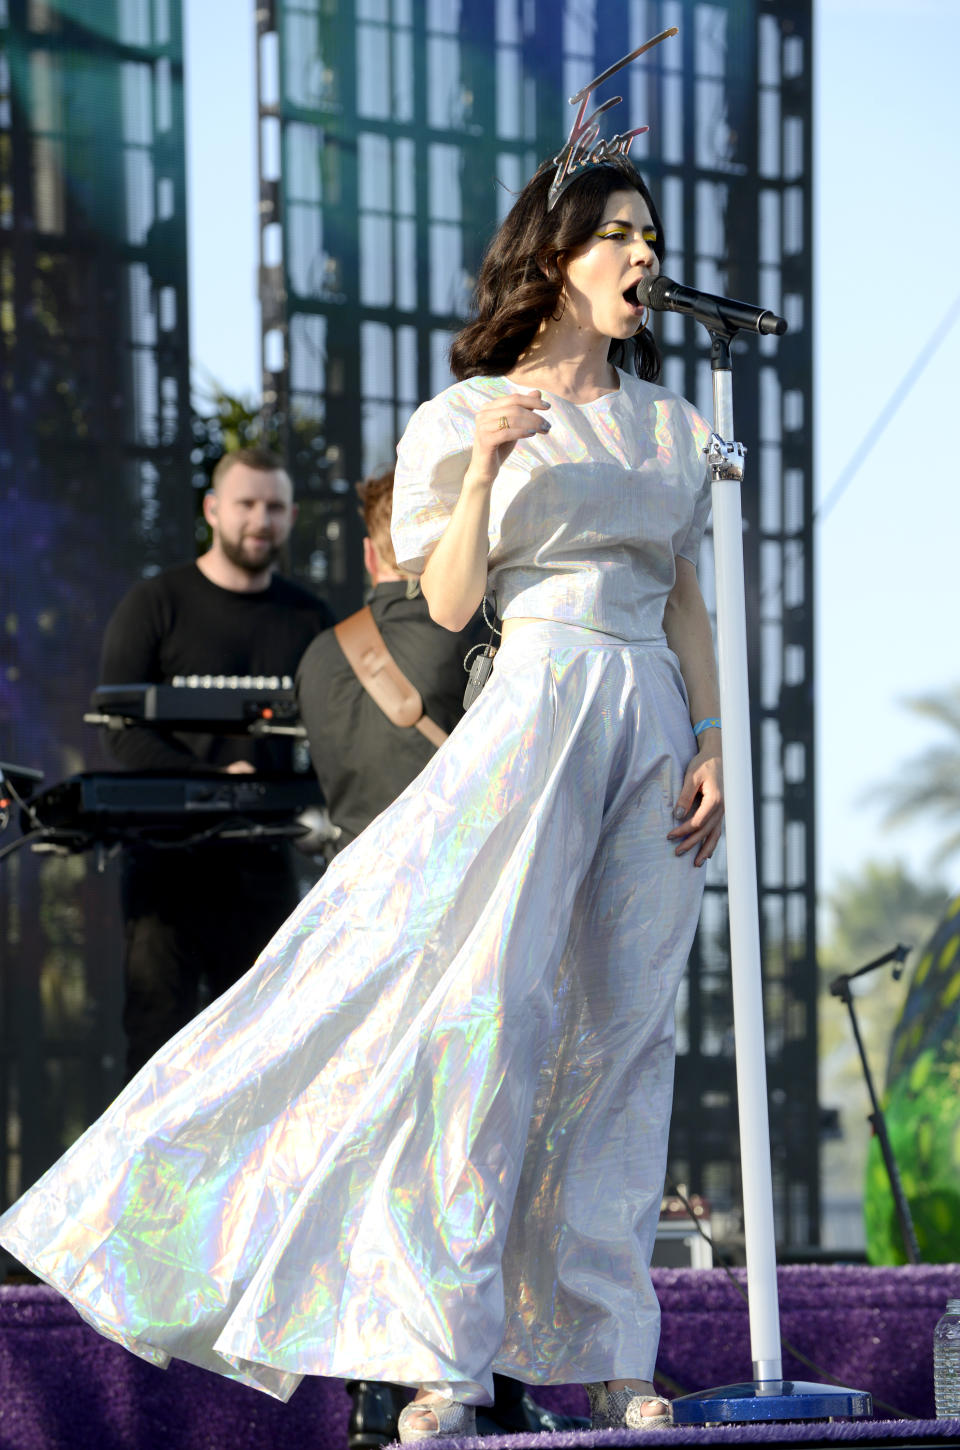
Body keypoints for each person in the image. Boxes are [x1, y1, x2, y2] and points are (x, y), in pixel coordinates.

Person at [0, 150, 722, 1439]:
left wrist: (712, 735)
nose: (644, 254)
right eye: (618, 232)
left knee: (625, 1037)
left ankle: (615, 1356)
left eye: (652, 234)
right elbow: (445, 610)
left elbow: (687, 600)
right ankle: (436, 1351)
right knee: (481, 1022)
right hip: (540, 695)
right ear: (556, 256)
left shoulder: (674, 428)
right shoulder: (464, 414)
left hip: (654, 715)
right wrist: (494, 462)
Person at [296, 469, 586, 1441]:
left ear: (372, 553)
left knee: (373, 1166)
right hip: (457, 931)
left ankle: (371, 1391)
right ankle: (482, 1381)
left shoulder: (319, 657)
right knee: (467, 1160)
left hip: (354, 933)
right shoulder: (474, 640)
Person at [98, 446, 335, 1077]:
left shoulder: (308, 617)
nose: (261, 519)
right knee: (155, 1052)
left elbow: (336, 730)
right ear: (212, 510)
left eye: (276, 507)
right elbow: (118, 731)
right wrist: (211, 782)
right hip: (165, 866)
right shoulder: (156, 604)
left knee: (264, 1057)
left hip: (263, 870)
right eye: (247, 504)